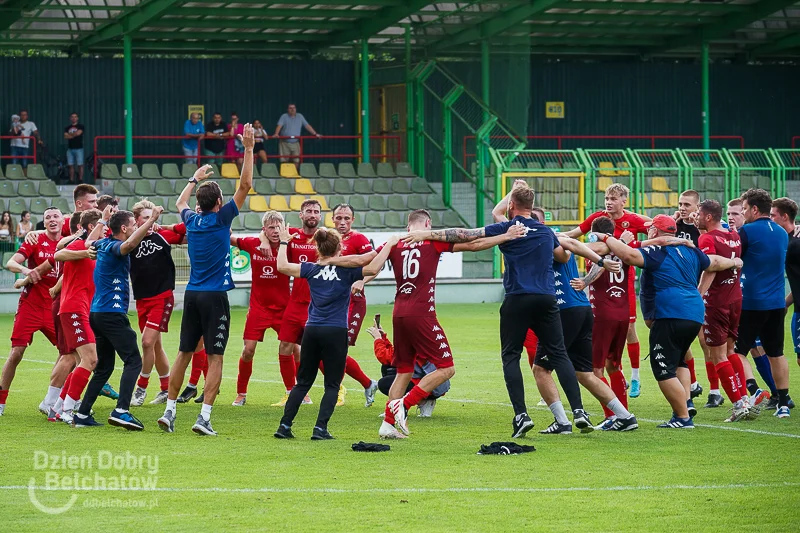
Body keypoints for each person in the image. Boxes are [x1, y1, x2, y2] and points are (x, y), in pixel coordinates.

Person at [600, 214, 743, 428]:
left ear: (655, 232)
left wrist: (606, 238)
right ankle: (685, 405)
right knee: (679, 362)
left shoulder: (658, 251)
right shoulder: (691, 250)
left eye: (650, 229)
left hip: (671, 314)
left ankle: (682, 417)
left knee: (662, 369)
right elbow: (714, 262)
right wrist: (734, 261)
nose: (648, 232)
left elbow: (629, 256)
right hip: (694, 314)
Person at [157, 123, 254, 436]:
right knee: (215, 357)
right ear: (218, 203)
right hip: (214, 297)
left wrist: (194, 179)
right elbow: (246, 185)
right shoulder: (220, 219)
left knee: (184, 353)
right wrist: (249, 149)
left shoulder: (193, 220)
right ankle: (204, 418)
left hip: (192, 295)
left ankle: (170, 412)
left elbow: (179, 204)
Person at [274, 228, 398, 440]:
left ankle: (284, 426)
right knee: (332, 384)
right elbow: (374, 266)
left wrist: (284, 242)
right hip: (335, 330)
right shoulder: (347, 271)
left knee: (303, 382)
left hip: (311, 330)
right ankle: (320, 429)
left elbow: (282, 266)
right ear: (340, 248)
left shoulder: (312, 268)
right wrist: (389, 244)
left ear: (317, 249)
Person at [72, 207, 161, 430]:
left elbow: (87, 244)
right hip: (111, 315)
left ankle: (82, 414)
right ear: (123, 228)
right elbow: (128, 245)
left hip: (98, 314)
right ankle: (122, 410)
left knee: (104, 368)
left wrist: (102, 221)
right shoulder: (113, 246)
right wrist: (151, 221)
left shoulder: (100, 244)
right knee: (133, 361)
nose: (135, 227)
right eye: (133, 224)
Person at [564, 182, 650, 398]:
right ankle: (621, 396)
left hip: (619, 288)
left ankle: (635, 379)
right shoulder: (597, 218)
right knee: (612, 361)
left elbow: (653, 229)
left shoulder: (633, 221)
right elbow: (575, 233)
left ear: (624, 201)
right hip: (614, 293)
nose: (609, 203)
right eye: (607, 199)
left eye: (613, 199)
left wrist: (585, 280)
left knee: (621, 338)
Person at [571, 215, 635, 429]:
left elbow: (599, 267)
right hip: (623, 313)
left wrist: (585, 281)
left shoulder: (598, 250)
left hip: (603, 313)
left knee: (595, 369)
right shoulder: (622, 246)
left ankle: (612, 416)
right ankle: (624, 414)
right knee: (614, 366)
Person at [734, 188, 792, 419]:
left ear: (755, 209)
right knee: (776, 353)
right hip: (777, 302)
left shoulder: (746, 232)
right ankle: (784, 403)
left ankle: (750, 392)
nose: (744, 213)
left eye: (745, 209)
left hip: (751, 302)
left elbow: (735, 260)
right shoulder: (780, 232)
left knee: (735, 352)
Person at [0, 206, 63, 416]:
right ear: (43, 223)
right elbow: (9, 262)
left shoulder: (69, 241)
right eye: (48, 217)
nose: (52, 220)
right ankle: (1, 402)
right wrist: (27, 270)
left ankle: (53, 399)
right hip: (31, 305)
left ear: (63, 220)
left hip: (55, 307)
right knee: (16, 353)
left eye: (56, 216)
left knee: (69, 354)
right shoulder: (35, 240)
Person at [695, 199, 753, 422]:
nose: (696, 217)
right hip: (735, 298)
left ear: (708, 217)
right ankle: (744, 399)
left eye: (699, 214)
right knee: (730, 351)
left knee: (718, 355)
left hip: (716, 301)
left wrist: (698, 296)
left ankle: (738, 405)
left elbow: (709, 267)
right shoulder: (733, 235)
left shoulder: (707, 238)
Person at [49, 208, 108, 424]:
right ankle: (68, 409)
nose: (106, 230)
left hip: (80, 309)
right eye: (103, 226)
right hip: (74, 309)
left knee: (79, 360)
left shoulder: (93, 245)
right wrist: (84, 253)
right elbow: (58, 255)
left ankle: (58, 407)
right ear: (93, 227)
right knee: (91, 359)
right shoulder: (82, 245)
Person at [230, 211, 290, 406]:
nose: (275, 231)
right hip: (259, 309)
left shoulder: (290, 244)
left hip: (283, 308)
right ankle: (241, 393)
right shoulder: (253, 243)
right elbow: (228, 236)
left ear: (284, 227)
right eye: (270, 227)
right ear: (263, 229)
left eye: (278, 227)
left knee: (295, 350)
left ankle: (293, 391)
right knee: (248, 350)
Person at [129, 200, 180, 407]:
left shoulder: (162, 236)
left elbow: (188, 232)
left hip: (162, 297)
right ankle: (165, 389)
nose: (150, 221)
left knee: (147, 342)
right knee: (155, 346)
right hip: (142, 299)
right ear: (136, 221)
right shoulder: (129, 240)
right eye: (145, 218)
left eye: (153, 217)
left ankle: (140, 389)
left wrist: (165, 226)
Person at [274, 199, 323, 407]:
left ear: (320, 216)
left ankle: (339, 386)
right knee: (285, 346)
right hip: (295, 304)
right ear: (301, 215)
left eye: (316, 212)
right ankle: (292, 392)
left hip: (318, 305)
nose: (312, 215)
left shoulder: (325, 238)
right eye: (308, 211)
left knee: (321, 351)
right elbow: (268, 233)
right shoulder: (291, 235)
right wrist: (265, 240)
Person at [331, 203, 378, 407]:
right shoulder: (328, 239)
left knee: (339, 349)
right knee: (328, 350)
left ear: (353, 220)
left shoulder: (359, 239)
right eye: (339, 218)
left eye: (346, 218)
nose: (342, 222)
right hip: (331, 303)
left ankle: (336, 391)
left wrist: (362, 281)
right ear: (332, 219)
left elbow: (375, 265)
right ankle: (368, 384)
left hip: (353, 303)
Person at [672, 189, 711, 404]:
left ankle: (714, 390)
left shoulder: (703, 228)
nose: (682, 208)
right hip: (680, 291)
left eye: (687, 205)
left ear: (698, 208)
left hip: (700, 289)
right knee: (683, 340)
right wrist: (672, 222)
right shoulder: (674, 225)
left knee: (706, 341)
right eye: (680, 204)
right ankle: (693, 384)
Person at [366, 320, 450, 417]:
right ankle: (403, 404)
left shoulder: (414, 341)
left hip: (431, 386)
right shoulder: (421, 337)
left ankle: (422, 402)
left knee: (384, 384)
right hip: (432, 382)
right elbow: (395, 355)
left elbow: (386, 356)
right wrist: (383, 337)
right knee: (387, 367)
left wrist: (377, 338)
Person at [771, 198, 800, 371]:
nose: (770, 219)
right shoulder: (787, 241)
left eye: (773, 215)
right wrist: (786, 303)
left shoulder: (795, 244)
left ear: (785, 217)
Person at [63, 112, 85, 183]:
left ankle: (80, 179)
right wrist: (74, 134)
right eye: (72, 117)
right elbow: (65, 136)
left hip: (79, 148)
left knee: (80, 164)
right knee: (70, 165)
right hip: (70, 149)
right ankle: (71, 180)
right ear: (70, 118)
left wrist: (70, 135)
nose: (74, 118)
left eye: (75, 117)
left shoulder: (81, 126)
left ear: (77, 118)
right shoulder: (67, 127)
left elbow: (78, 133)